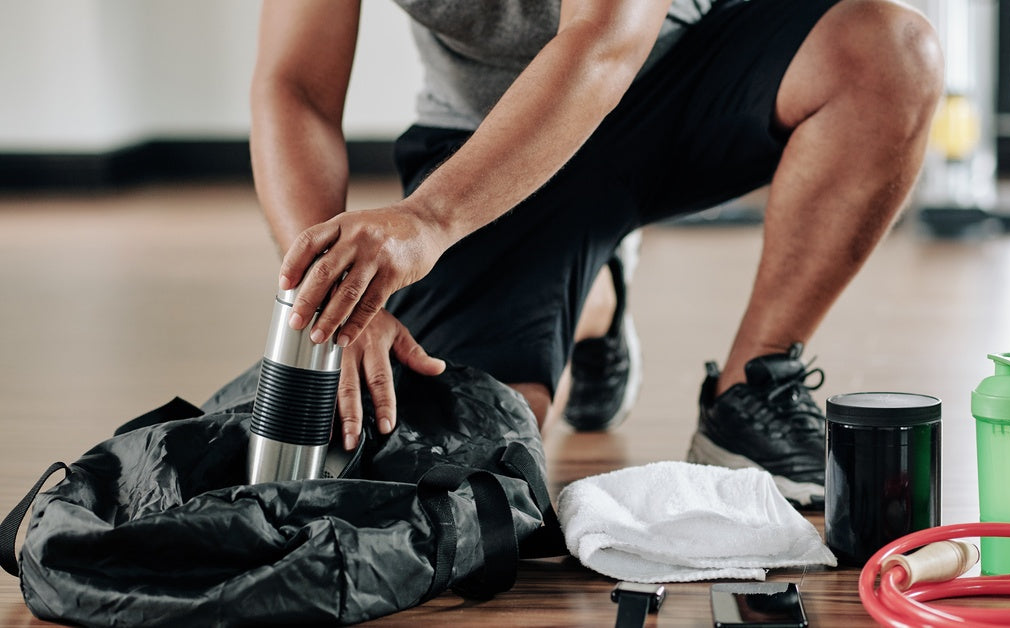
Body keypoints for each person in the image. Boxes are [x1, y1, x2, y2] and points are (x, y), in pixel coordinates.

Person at [250, 0, 942, 509]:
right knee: (479, 452)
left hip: (671, 90)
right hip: (481, 144)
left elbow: (604, 39)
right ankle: (598, 298)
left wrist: (427, 221)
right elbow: (296, 87)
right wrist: (335, 294)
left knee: (891, 51)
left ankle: (749, 392)